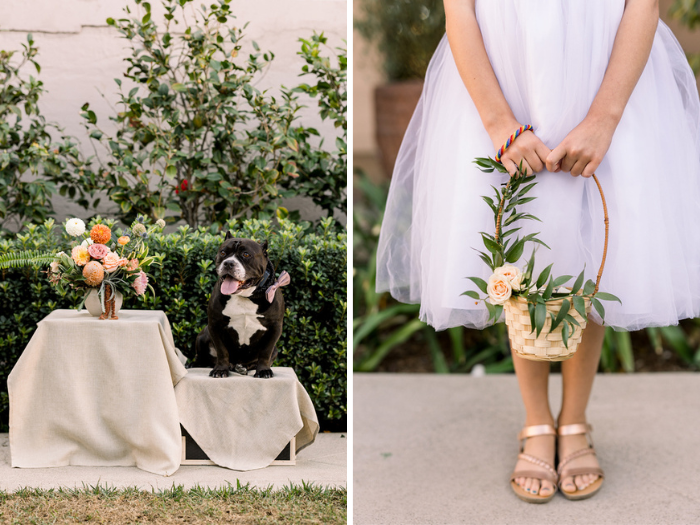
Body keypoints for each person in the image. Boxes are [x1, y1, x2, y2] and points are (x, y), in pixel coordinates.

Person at [376, 0, 700, 503]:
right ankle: (537, 421)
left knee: (589, 245)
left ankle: (574, 420)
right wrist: (498, 120)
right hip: (506, 68)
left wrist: (604, 118)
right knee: (520, 243)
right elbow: (459, 11)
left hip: (605, 67)